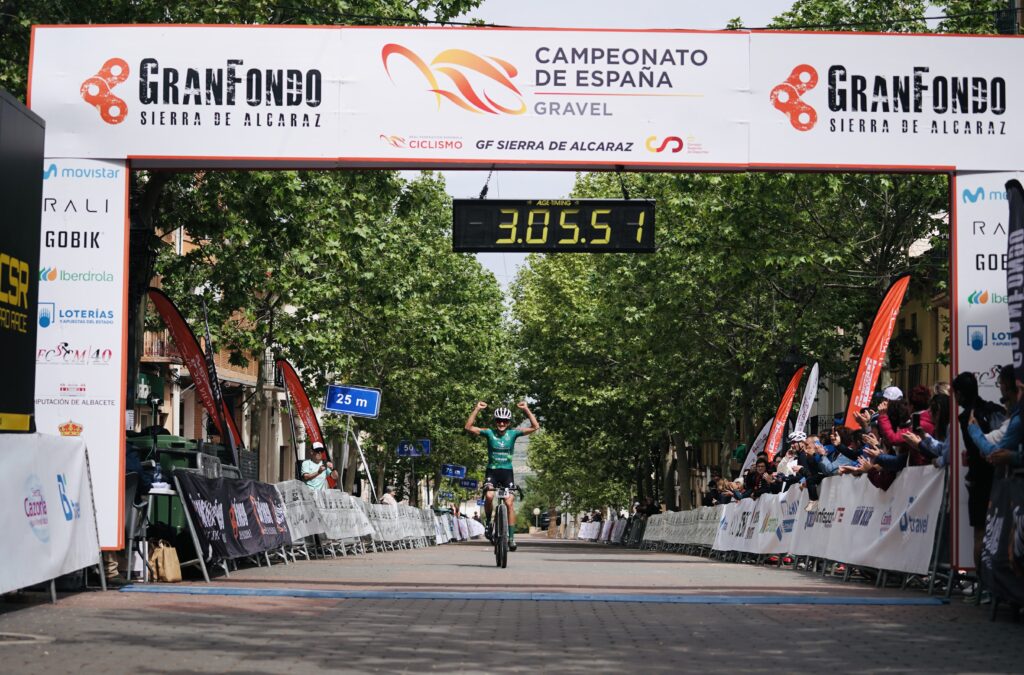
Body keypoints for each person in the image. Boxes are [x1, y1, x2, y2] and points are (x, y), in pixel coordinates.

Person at [465, 400, 540, 551]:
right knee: (490, 496)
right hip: (492, 471)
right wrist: (476, 409)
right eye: (499, 421)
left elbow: (535, 427)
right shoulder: (489, 433)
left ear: (508, 422)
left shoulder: (513, 434)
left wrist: (526, 409)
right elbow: (468, 427)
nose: (501, 423)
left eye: (504, 421)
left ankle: (511, 538)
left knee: (509, 502)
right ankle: (488, 525)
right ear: (496, 421)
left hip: (507, 473)